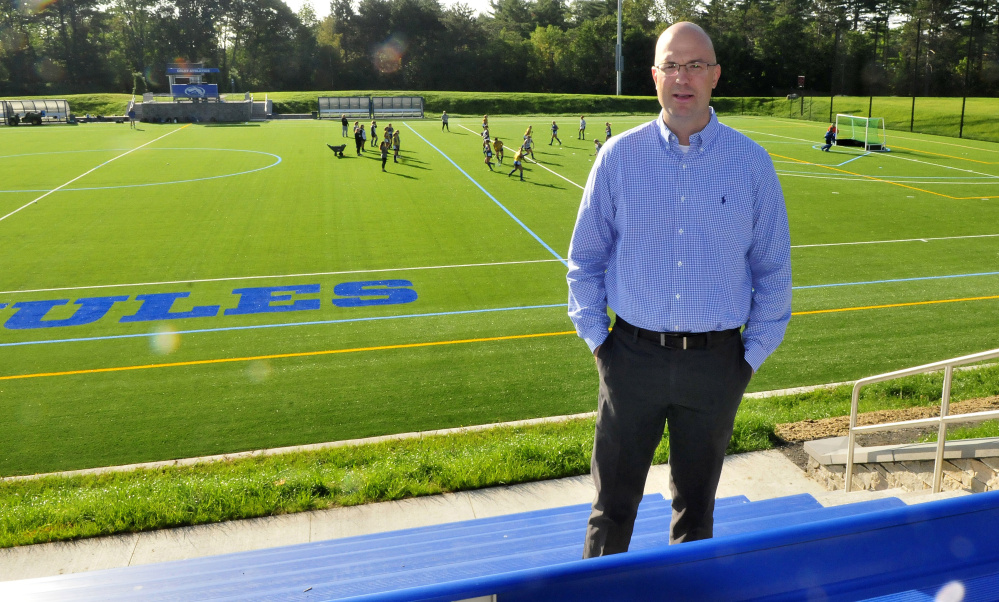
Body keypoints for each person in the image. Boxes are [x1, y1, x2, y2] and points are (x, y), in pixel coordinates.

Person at [566, 22, 791, 559]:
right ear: (654, 77)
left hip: (716, 364)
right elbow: (585, 259)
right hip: (631, 358)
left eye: (694, 65)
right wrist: (602, 345)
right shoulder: (618, 157)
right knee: (612, 507)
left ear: (714, 76)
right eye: (671, 64)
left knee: (696, 511)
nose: (682, 78)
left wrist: (747, 359)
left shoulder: (751, 164)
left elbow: (774, 273)